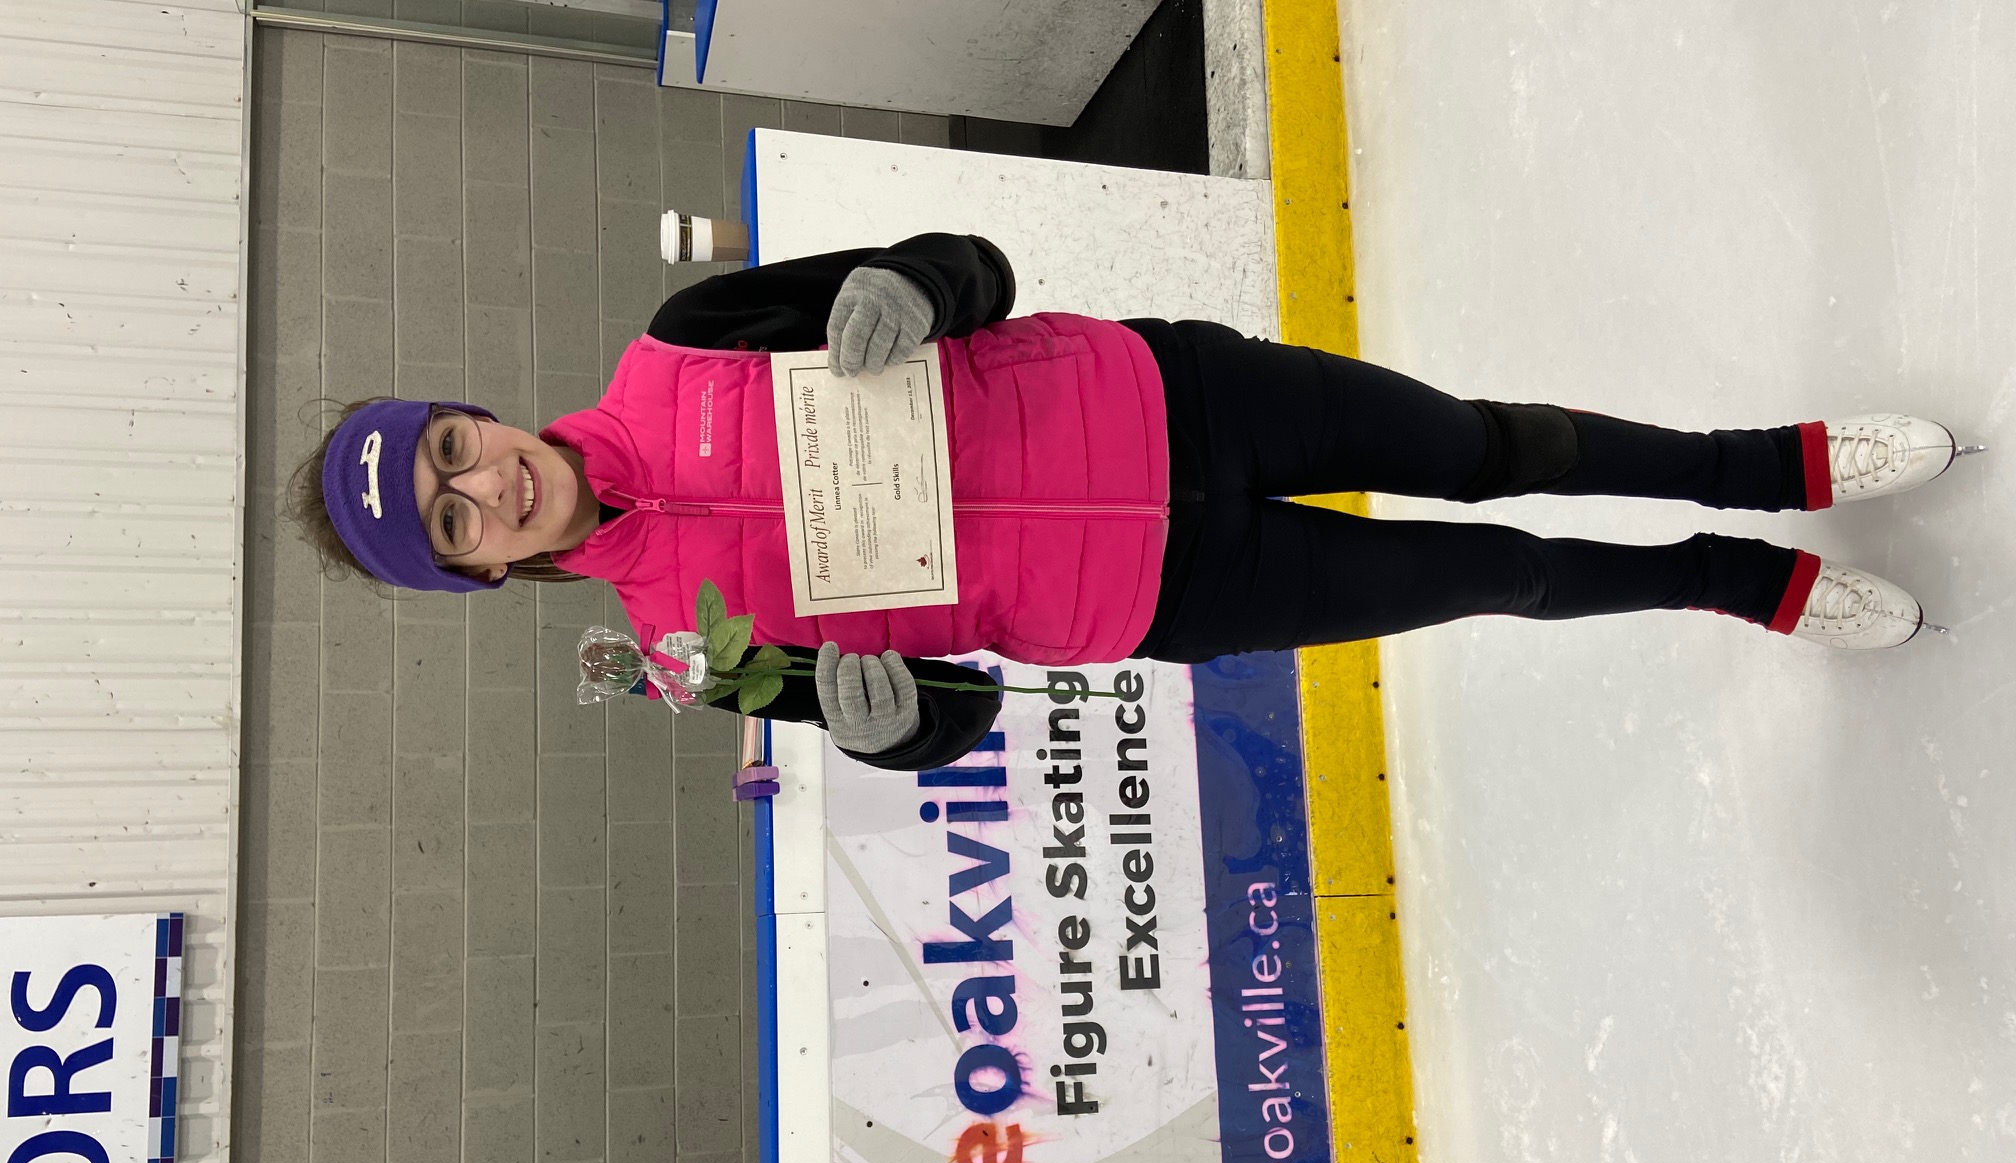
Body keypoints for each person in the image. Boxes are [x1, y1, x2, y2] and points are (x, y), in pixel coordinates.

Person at [286, 233, 1974, 773]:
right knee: (1502, 577)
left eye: (450, 449)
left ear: (472, 413)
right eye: (452, 522)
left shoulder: (681, 340)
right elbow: (952, 719)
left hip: (1164, 395)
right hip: (1163, 597)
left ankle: (1778, 466)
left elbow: (975, 268)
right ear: (480, 573)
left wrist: (907, 287)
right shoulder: (691, 652)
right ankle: (1738, 581)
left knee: (1482, 441)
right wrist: (884, 727)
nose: (482, 486)